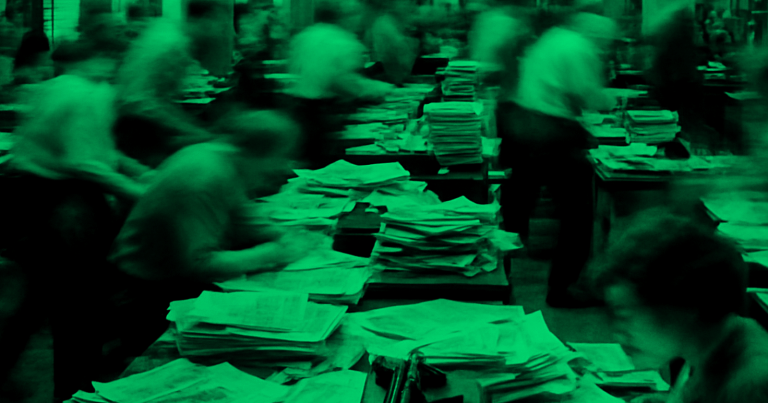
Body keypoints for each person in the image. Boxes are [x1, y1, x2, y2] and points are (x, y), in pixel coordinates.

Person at [0, 39, 152, 402]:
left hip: (30, 196)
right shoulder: (87, 95)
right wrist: (142, 193)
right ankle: (74, 389)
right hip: (63, 202)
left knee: (35, 297)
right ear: (100, 59)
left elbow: (101, 151)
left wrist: (143, 173)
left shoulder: (58, 86)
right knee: (77, 305)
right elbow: (85, 163)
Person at [109, 110, 323, 329]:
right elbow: (198, 264)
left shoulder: (218, 156)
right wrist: (272, 252)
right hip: (151, 288)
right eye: (281, 158)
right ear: (259, 153)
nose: (282, 167)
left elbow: (244, 218)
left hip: (172, 275)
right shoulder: (203, 178)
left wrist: (282, 236)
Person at [497, 10, 617, 309]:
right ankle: (563, 288)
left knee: (522, 198)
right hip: (553, 130)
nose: (606, 48)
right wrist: (611, 99)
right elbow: (588, 95)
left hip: (525, 123)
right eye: (607, 42)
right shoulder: (579, 47)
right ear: (599, 35)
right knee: (578, 214)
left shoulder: (552, 37)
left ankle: (504, 271)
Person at [596, 210, 768, 403]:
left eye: (624, 317)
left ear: (682, 307)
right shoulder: (710, 344)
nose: (618, 335)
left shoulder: (750, 385)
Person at [286, 1, 394, 169]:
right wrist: (375, 89)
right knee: (328, 164)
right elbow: (339, 82)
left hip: (298, 109)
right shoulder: (343, 41)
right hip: (325, 113)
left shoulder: (307, 34)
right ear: (345, 16)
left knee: (305, 161)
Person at [113, 4, 219, 169]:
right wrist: (195, 130)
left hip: (134, 118)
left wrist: (193, 127)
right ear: (204, 20)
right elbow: (142, 101)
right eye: (215, 23)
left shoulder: (167, 30)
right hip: (135, 126)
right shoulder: (173, 44)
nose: (216, 32)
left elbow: (159, 98)